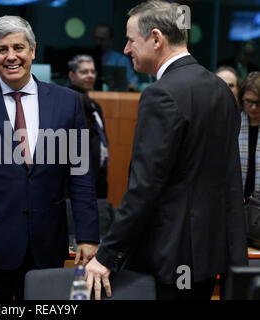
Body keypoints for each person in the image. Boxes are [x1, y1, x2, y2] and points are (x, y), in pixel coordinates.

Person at [85, 0, 248, 300]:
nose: (125, 49)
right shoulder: (220, 89)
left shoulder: (161, 95)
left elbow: (145, 188)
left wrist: (106, 256)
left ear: (156, 39)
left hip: (167, 259)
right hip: (208, 257)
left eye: (131, 40)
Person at [0, 15, 100, 300]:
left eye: (19, 48)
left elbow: (81, 174)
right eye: (2, 49)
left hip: (46, 247)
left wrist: (88, 236)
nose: (11, 56)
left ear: (33, 51)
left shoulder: (67, 102)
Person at [68, 54, 109, 199]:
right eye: (84, 72)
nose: (90, 75)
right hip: (81, 177)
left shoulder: (94, 105)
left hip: (99, 173)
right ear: (72, 75)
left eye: (92, 72)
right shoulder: (69, 101)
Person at [94, 23, 139, 91]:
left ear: (110, 40)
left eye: (102, 39)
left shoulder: (121, 60)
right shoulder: (87, 59)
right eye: (96, 38)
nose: (98, 42)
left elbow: (134, 84)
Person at [238, 72, 260, 203]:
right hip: (238, 202)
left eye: (258, 102)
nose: (253, 107)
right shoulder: (234, 123)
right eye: (249, 101)